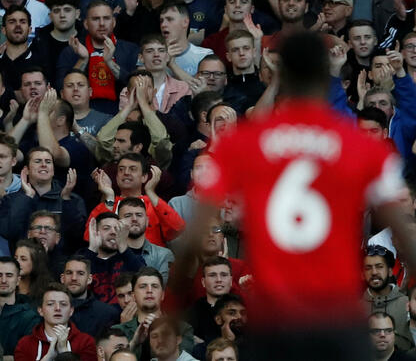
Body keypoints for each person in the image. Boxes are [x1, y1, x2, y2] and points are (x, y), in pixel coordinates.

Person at [172, 31, 416, 360]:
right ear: (323, 74)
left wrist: (170, 310)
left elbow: (195, 234)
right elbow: (401, 227)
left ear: (281, 74)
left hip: (274, 318)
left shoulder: (243, 142)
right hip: (336, 314)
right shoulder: (361, 145)